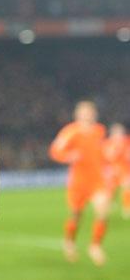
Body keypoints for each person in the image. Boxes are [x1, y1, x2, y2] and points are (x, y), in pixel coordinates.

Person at [49, 100, 110, 266]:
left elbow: (101, 153)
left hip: (97, 181)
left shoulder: (100, 130)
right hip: (78, 183)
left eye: (90, 111)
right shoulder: (71, 132)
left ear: (94, 113)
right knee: (76, 215)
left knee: (103, 210)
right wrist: (68, 156)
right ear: (78, 114)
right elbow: (55, 150)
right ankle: (69, 242)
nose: (87, 114)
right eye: (84, 112)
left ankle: (95, 246)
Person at [104, 122, 130, 218]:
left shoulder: (127, 141)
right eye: (116, 132)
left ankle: (127, 208)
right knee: (110, 188)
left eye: (120, 132)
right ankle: (109, 203)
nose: (118, 134)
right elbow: (106, 157)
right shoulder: (108, 143)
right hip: (112, 169)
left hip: (124, 169)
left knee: (127, 186)